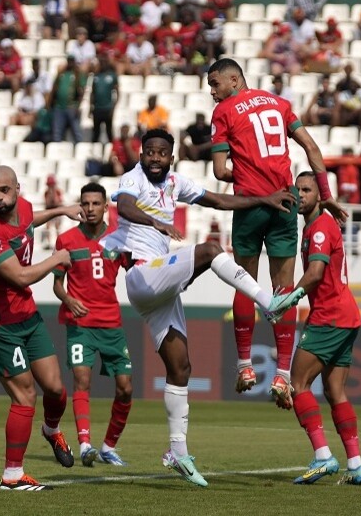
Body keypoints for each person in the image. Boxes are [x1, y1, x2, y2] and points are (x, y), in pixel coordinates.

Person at [103, 129, 297, 487]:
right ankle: (269, 303)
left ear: (171, 157)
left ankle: (177, 452)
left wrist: (264, 200)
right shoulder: (132, 179)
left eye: (162, 153)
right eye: (150, 152)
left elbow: (218, 200)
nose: (155, 158)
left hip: (160, 290)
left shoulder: (176, 183)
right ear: (141, 155)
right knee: (209, 250)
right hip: (142, 276)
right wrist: (155, 221)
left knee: (181, 368)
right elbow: (125, 206)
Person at [206, 57, 346, 407]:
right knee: (284, 287)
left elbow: (220, 171)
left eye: (215, 84)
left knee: (244, 280)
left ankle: (244, 367)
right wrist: (326, 195)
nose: (212, 92)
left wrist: (248, 171)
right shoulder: (279, 104)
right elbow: (312, 148)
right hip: (286, 202)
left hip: (252, 205)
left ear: (234, 80)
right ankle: (283, 374)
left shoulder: (224, 112)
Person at [0, 164, 86, 490]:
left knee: (56, 389)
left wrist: (61, 210)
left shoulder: (22, 207)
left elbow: (28, 220)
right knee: (25, 396)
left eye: (4, 190)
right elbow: (20, 277)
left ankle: (51, 430)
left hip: (26, 314)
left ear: (17, 189)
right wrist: (57, 258)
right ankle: (12, 475)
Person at [272, 172, 361, 486]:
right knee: (334, 391)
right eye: (297, 189)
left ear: (319, 195)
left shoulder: (321, 227)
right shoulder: (315, 226)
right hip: (346, 315)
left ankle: (323, 456)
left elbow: (315, 273)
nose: (301, 195)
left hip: (330, 316)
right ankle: (356, 464)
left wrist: (290, 298)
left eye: (307, 190)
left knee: (298, 383)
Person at [52, 183, 132, 467]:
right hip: (80, 324)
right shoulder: (66, 240)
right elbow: (57, 285)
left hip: (111, 324)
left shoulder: (119, 239)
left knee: (125, 388)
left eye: (96, 203)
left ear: (105, 207)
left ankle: (109, 447)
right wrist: (68, 299)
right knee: (82, 380)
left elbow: (135, 271)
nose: (90, 208)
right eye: (85, 203)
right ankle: (85, 444)